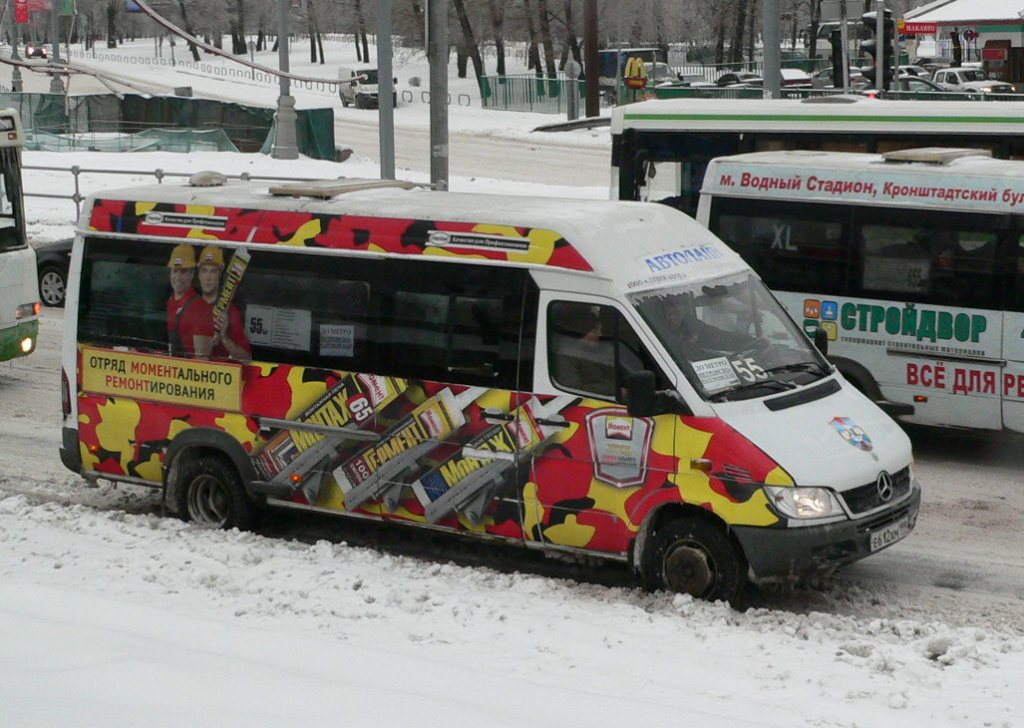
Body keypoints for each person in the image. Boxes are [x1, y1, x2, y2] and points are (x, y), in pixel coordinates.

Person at [186, 245, 251, 361]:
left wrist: (224, 338)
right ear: (199, 275)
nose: (208, 277)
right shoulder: (189, 306)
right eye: (204, 271)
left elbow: (246, 359)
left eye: (213, 271)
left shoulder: (230, 312)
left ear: (219, 275)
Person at [166, 244, 199, 356]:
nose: (178, 277)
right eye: (175, 271)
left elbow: (200, 358)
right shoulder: (170, 301)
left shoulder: (197, 306)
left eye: (183, 271)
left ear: (192, 273)